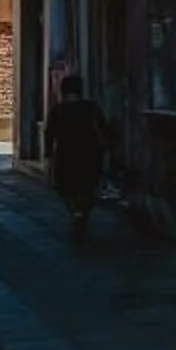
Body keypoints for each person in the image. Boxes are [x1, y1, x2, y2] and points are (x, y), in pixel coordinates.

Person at [43, 74, 108, 241]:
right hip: (90, 154)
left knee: (65, 187)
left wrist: (48, 155)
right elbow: (103, 129)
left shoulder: (58, 110)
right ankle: (81, 213)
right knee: (88, 186)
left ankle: (76, 212)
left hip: (66, 154)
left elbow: (50, 134)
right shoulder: (91, 107)